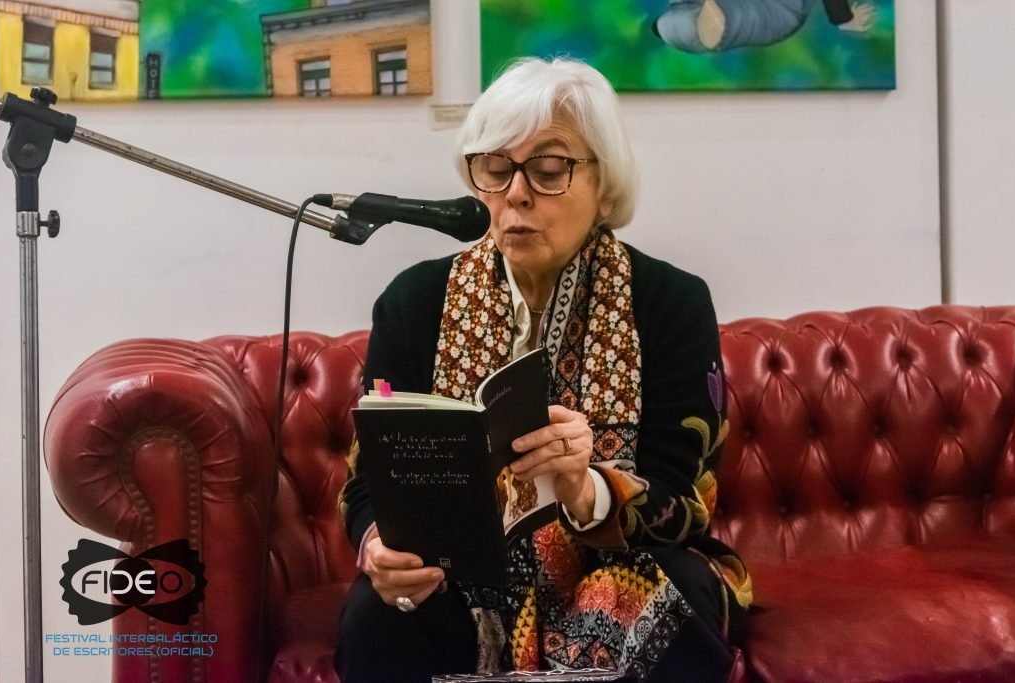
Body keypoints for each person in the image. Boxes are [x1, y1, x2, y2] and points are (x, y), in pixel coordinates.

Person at [336, 57, 752, 682]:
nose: (516, 193)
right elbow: (366, 483)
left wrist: (587, 490)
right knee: (379, 616)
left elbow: (687, 500)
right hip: (460, 576)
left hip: (621, 560)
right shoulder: (414, 302)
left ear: (605, 186)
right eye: (495, 168)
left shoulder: (671, 302)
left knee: (651, 597)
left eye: (550, 169)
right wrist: (378, 547)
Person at [654, 0, 876, 53]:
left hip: (777, 10)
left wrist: (843, 19)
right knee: (679, 21)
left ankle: (688, 27)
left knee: (682, 26)